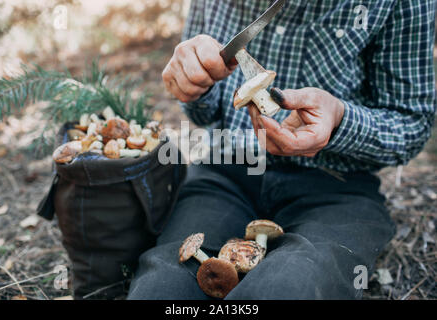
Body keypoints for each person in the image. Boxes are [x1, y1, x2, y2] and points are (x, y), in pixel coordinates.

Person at [127, 0, 436, 299]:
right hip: (225, 172)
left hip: (336, 187)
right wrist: (193, 85)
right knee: (164, 283)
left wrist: (341, 121)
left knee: (289, 287)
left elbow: (412, 121)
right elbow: (203, 113)